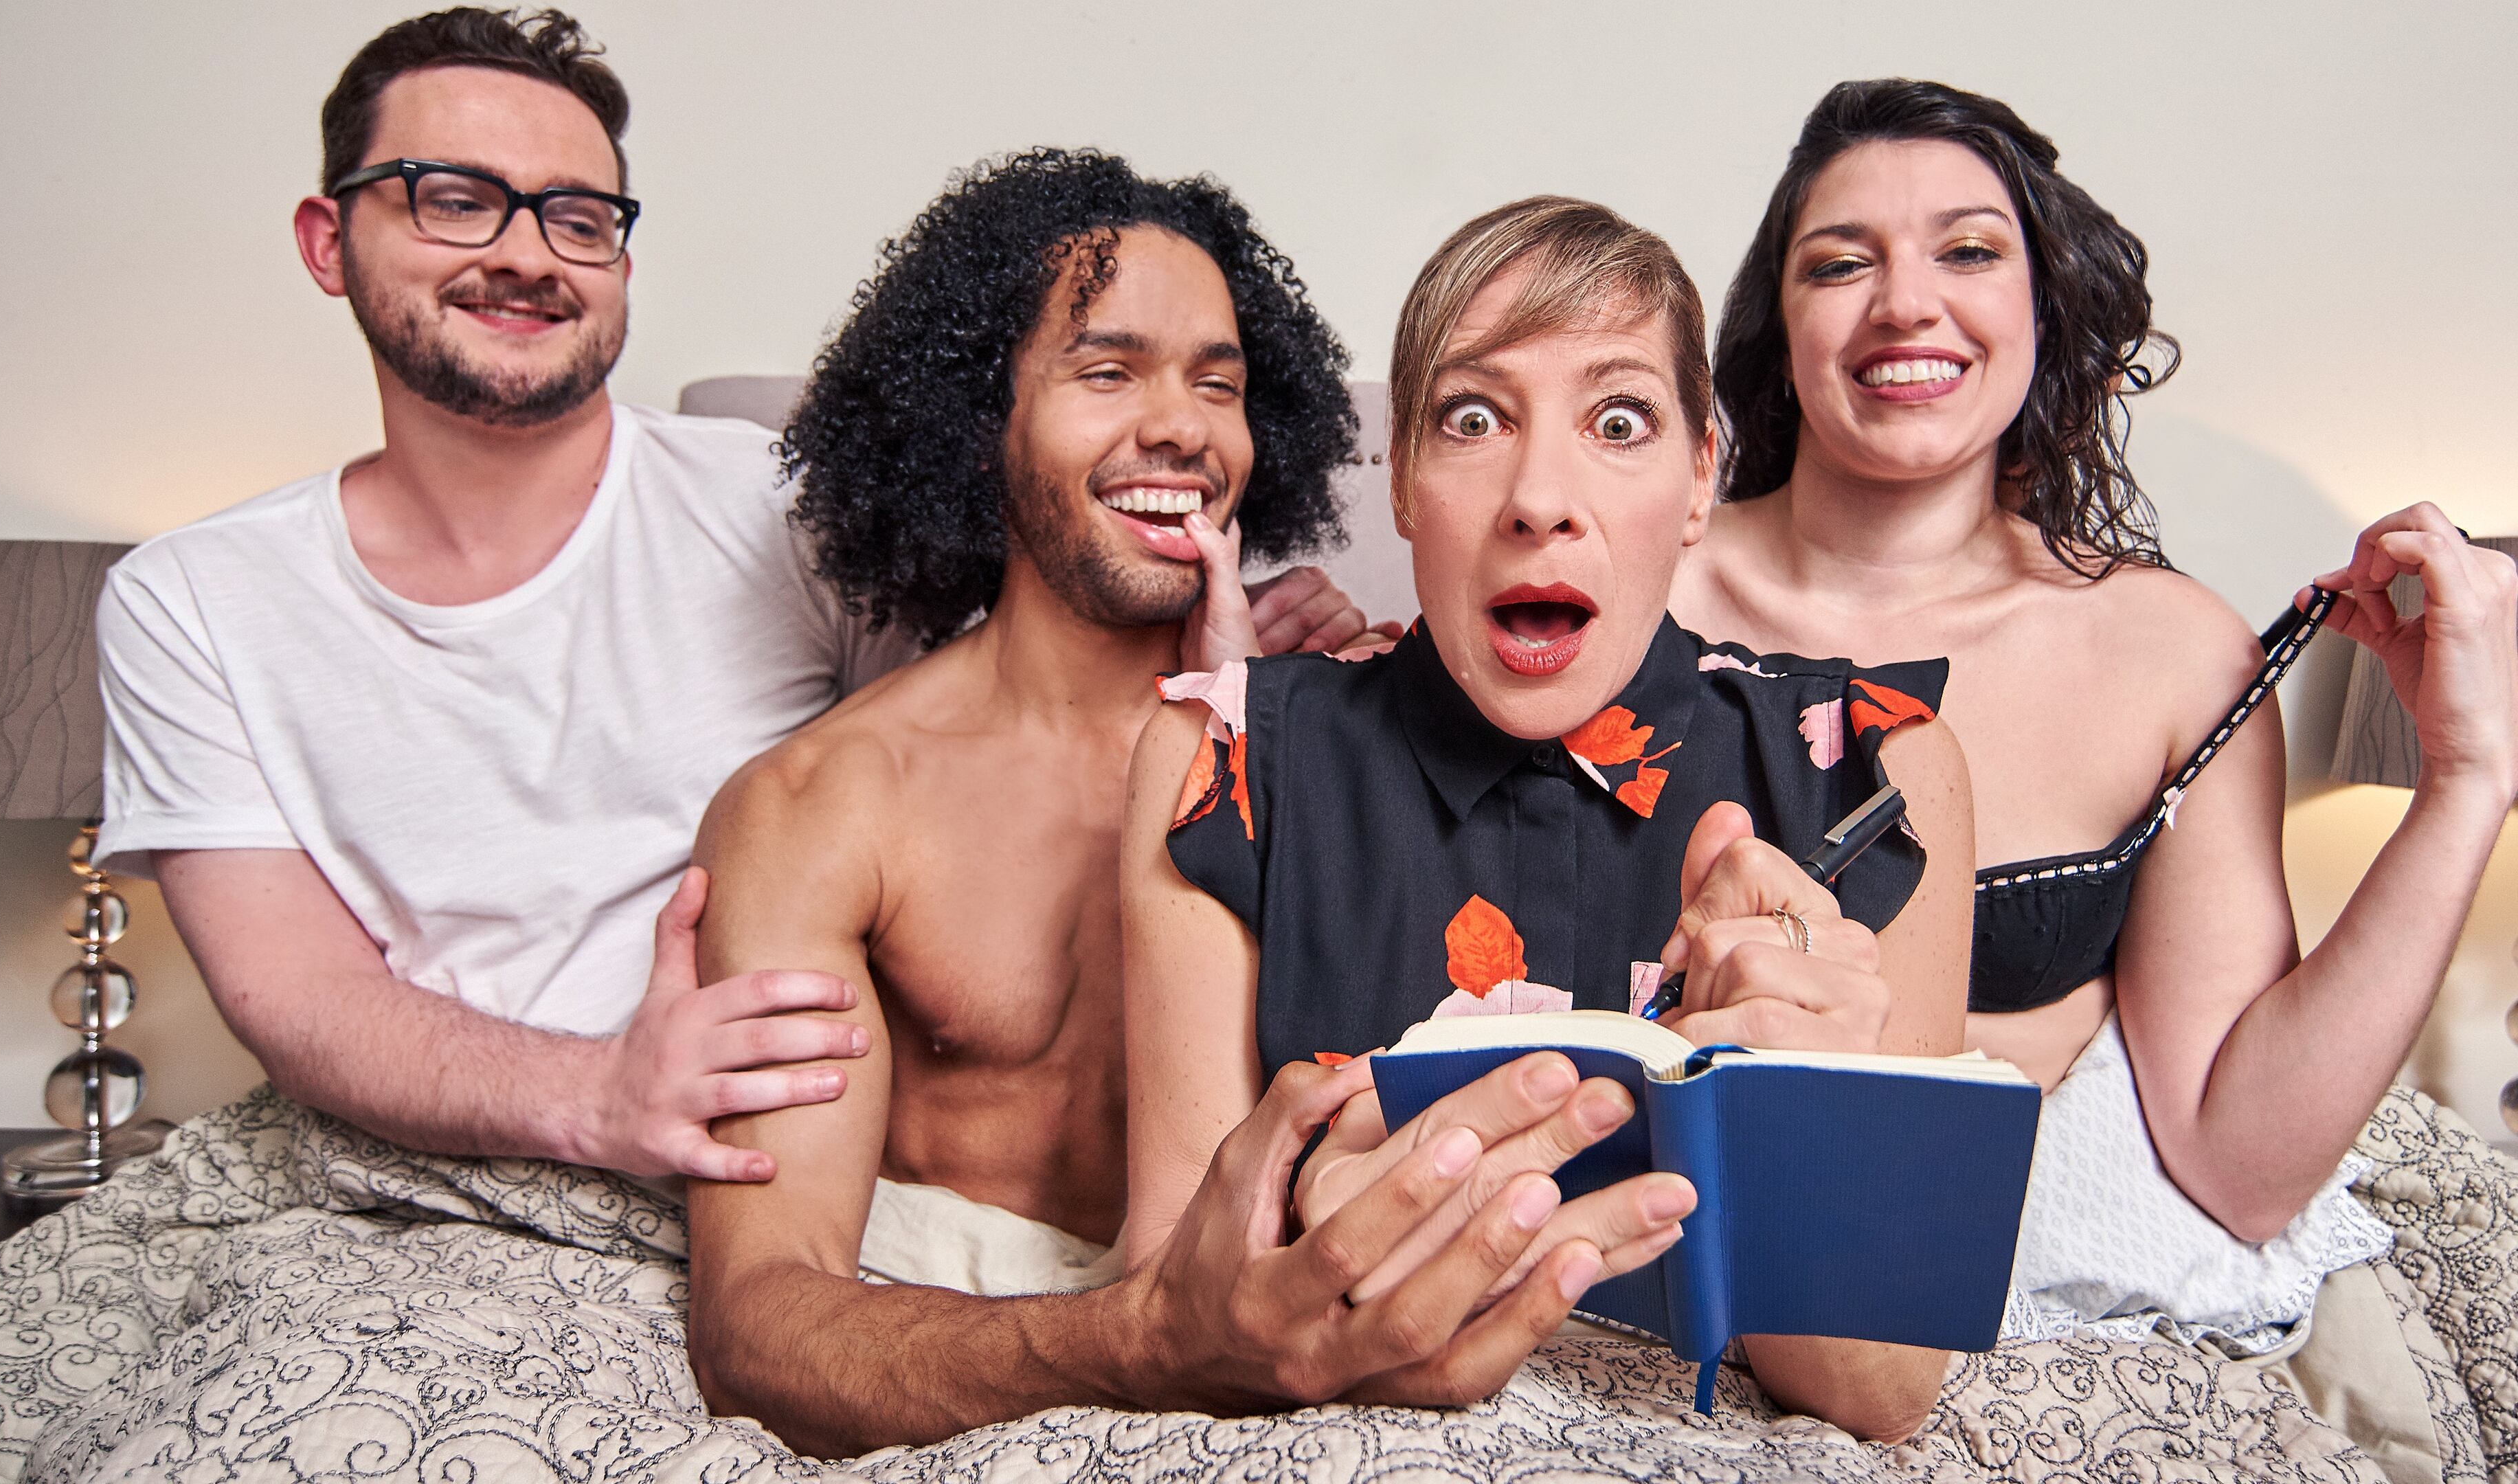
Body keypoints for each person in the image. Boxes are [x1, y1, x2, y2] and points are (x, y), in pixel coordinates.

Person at [95, 8, 1371, 1185]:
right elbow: (297, 995)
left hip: (762, 1160)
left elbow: (1008, 724)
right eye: (455, 201)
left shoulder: (784, 507)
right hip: (423, 1162)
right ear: (330, 241)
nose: (527, 255)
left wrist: (1232, 663)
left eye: (578, 217)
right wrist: (596, 1093)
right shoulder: (192, 600)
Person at [684, 152, 1694, 1458]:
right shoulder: (819, 805)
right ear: (968, 414)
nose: (1181, 428)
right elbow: (761, 1318)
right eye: (1107, 373)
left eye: (1218, 383)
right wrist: (1144, 1342)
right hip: (967, 1345)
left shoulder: (1333, 742)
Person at [1671, 78, 2518, 1352]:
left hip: (1985, 1327)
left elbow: (2239, 1166)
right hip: (1653, 1277)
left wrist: (2466, 779)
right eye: (1841, 264)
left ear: (2042, 309)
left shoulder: (2175, 652)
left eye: (1969, 251)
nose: (1907, 302)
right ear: (1779, 332)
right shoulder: (1629, 589)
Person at [1117, 196, 1977, 1444]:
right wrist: (1333, 1226)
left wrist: (1797, 1114)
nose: (1540, 499)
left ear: (1698, 482)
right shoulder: (1226, 758)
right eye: (1473, 420)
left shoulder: (1879, 771)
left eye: (1618, 423)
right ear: (1405, 482)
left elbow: (1885, 1396)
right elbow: (1165, 1309)